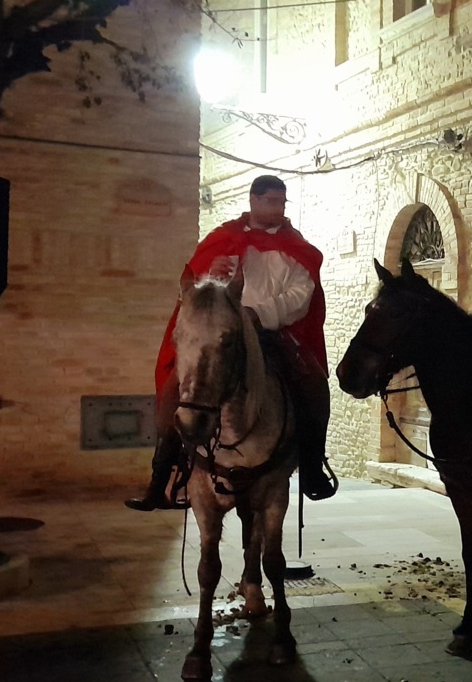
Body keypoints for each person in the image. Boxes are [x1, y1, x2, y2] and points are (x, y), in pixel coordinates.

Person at [126, 174, 337, 510]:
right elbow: (197, 292)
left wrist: (258, 314)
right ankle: (160, 478)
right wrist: (213, 274)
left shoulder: (297, 248)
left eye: (282, 202)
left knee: (312, 380)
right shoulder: (223, 239)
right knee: (175, 389)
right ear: (253, 200)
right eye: (272, 201)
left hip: (273, 332)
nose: (279, 208)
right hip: (224, 333)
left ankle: (312, 467)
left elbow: (301, 294)